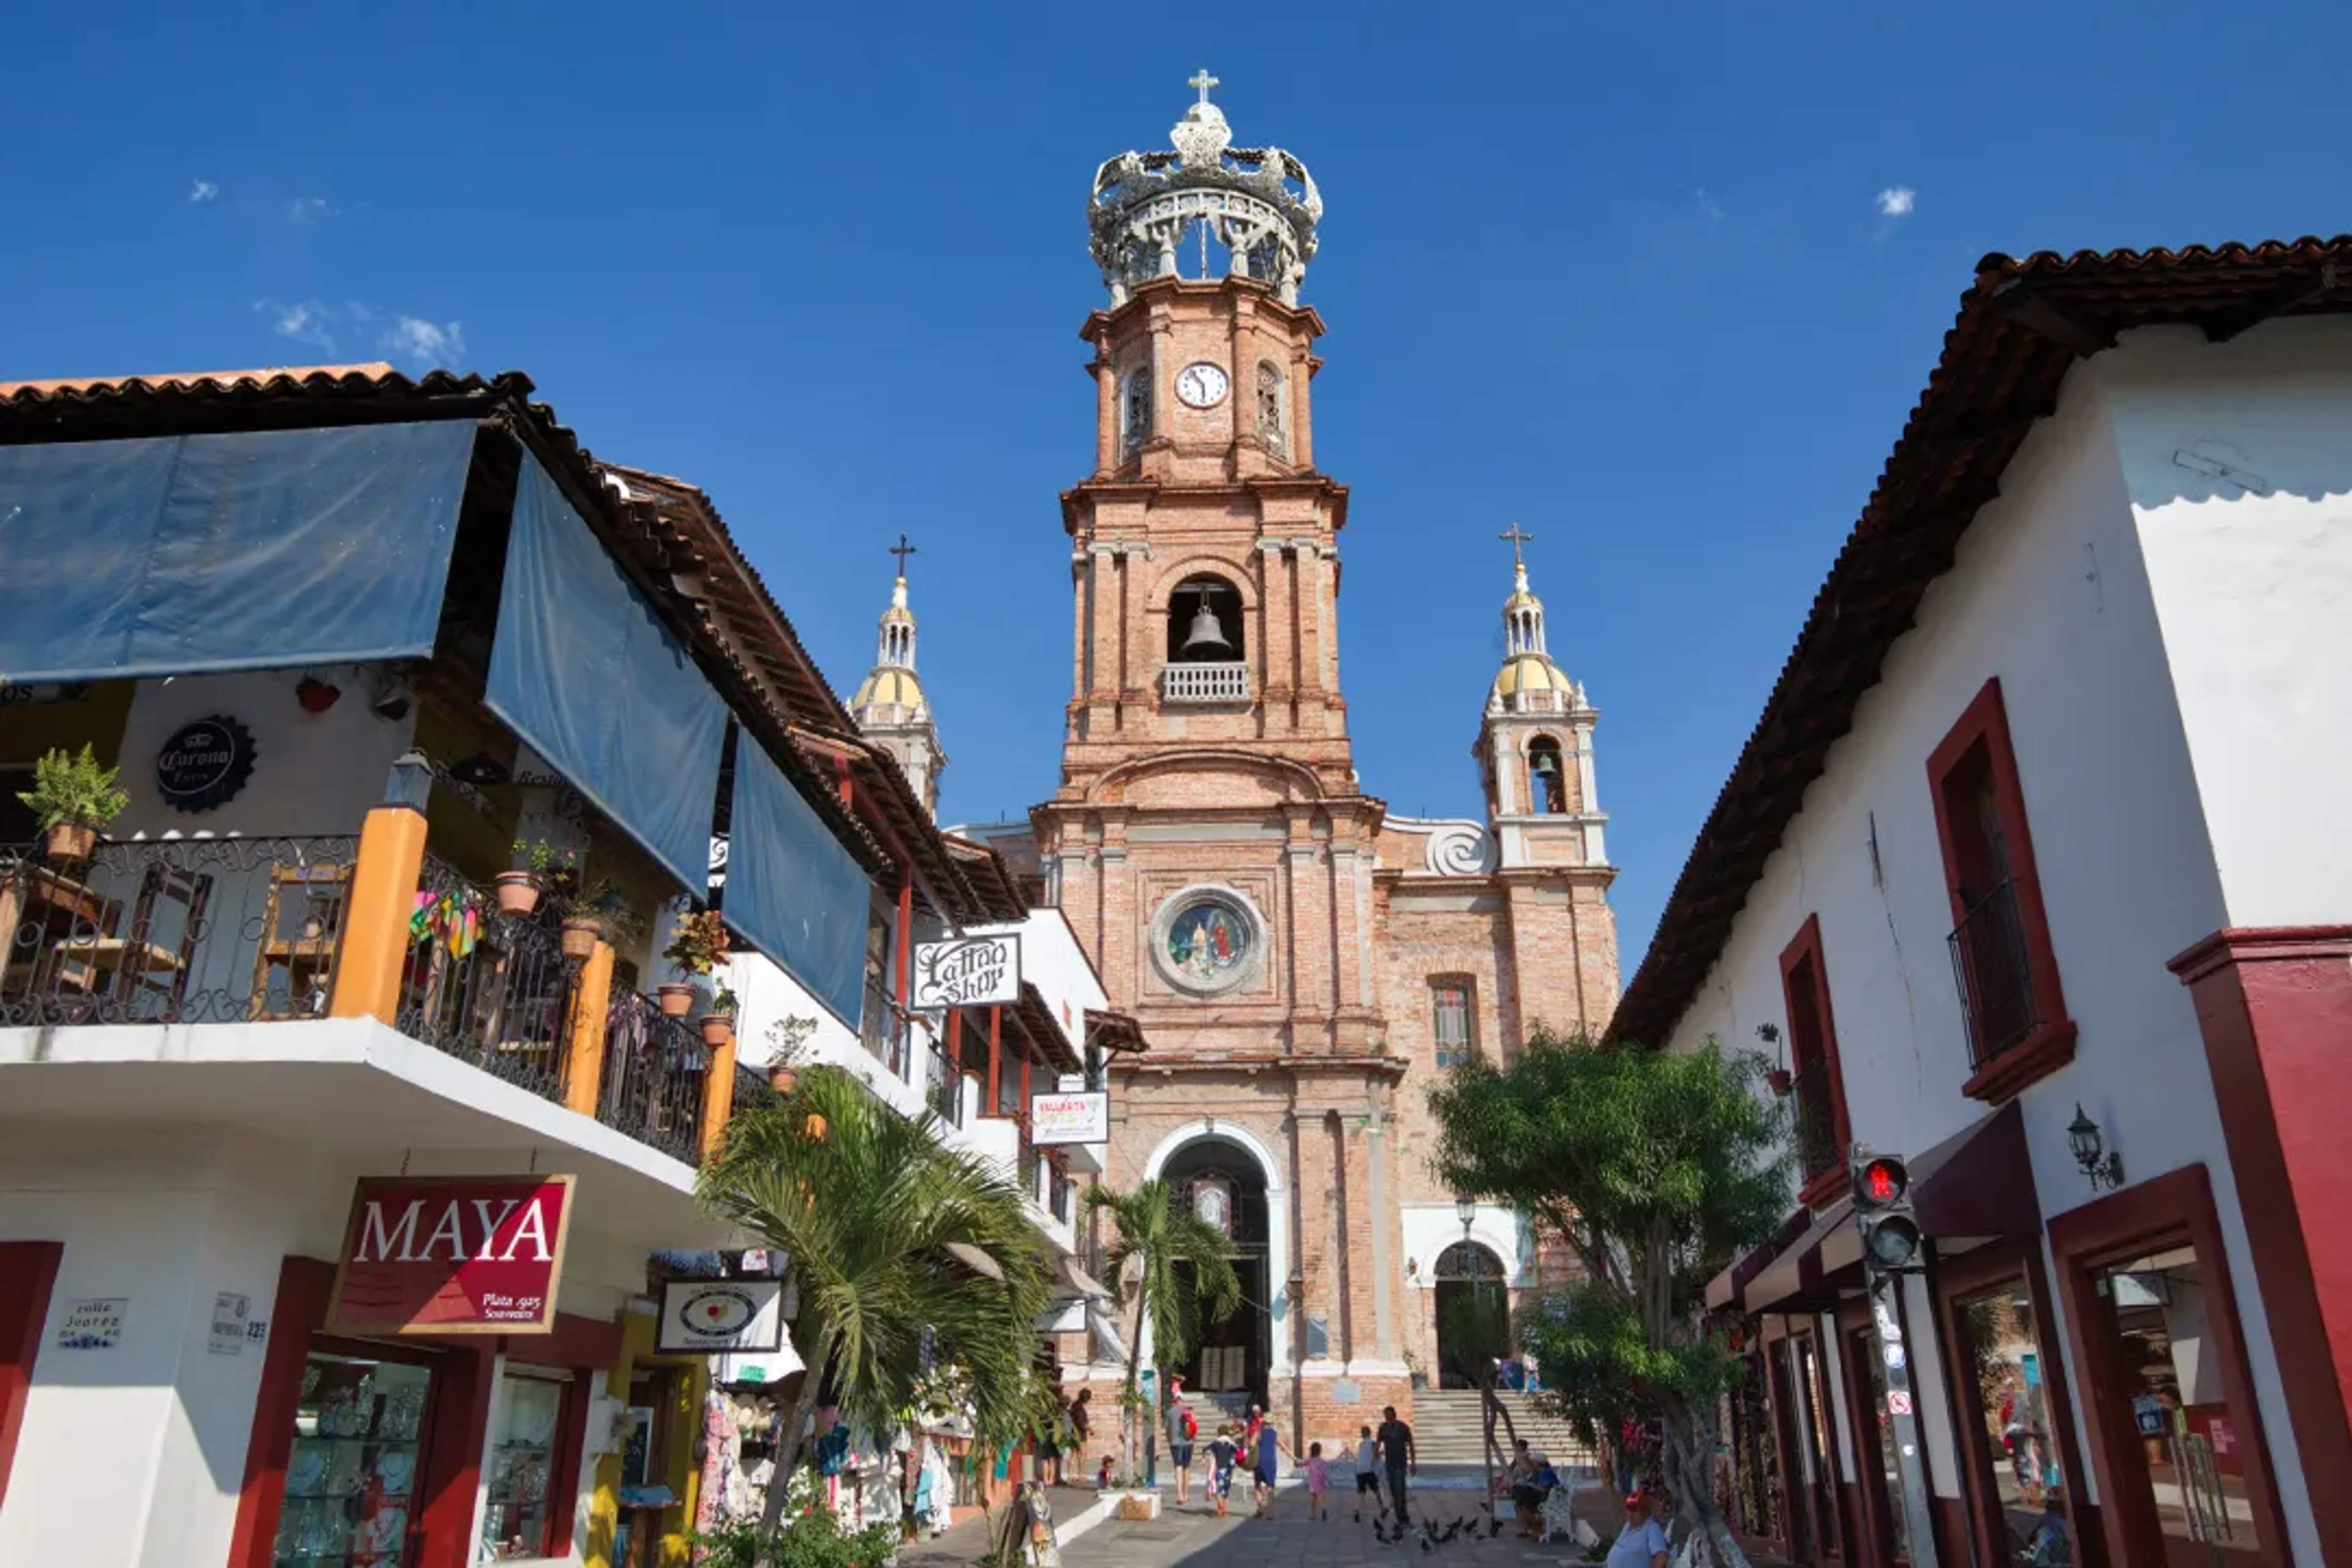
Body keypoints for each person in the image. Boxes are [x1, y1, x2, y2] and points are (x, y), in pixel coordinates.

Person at [1605, 1488, 1670, 1568]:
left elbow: (1662, 1559)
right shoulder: (1628, 1526)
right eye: (1628, 1509)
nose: (1630, 1514)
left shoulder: (1652, 1528)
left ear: (1645, 1511)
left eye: (1634, 1510)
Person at [1376, 1405, 1417, 1526]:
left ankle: (1403, 1518)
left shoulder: (1403, 1428)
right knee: (1394, 1491)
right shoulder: (1383, 1428)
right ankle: (1400, 1515)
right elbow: (1378, 1443)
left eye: (1388, 1415)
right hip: (1389, 1465)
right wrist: (1374, 1458)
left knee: (1400, 1492)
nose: (1387, 1417)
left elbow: (1411, 1445)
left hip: (1400, 1465)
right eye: (1385, 1415)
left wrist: (1413, 1463)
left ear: (1394, 1415)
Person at [1252, 1409, 1295, 1518]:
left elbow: (1251, 1444)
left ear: (1263, 1422)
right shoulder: (1274, 1434)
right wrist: (1294, 1458)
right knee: (1270, 1488)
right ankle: (1270, 1513)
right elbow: (1284, 1448)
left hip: (1259, 1461)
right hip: (1270, 1462)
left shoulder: (1259, 1432)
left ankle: (1260, 1510)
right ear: (1271, 1423)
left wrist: (1258, 1430)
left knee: (1257, 1486)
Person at [1163, 1379, 1196, 1506]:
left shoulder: (1169, 1413)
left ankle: (1180, 1495)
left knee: (1178, 1466)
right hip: (1188, 1443)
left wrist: (1169, 1440)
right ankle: (1186, 1494)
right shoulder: (1189, 1411)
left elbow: (1166, 1430)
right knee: (1187, 1467)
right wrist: (1194, 1440)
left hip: (1175, 1443)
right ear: (1182, 1400)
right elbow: (1195, 1427)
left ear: (1174, 1400)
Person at [1208, 1424, 1240, 1518]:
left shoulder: (1215, 1443)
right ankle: (1224, 1511)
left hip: (1220, 1468)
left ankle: (1221, 1508)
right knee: (1226, 1490)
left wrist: (1206, 1460)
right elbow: (1236, 1455)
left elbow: (1207, 1450)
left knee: (1218, 1490)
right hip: (1229, 1470)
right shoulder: (1231, 1443)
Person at [1352, 1424, 1381, 1522]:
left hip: (1359, 1471)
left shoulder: (1361, 1444)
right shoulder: (1373, 1443)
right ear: (1370, 1433)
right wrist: (1382, 1453)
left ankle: (1357, 1510)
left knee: (1361, 1492)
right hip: (1369, 1470)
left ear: (1362, 1435)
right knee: (1376, 1490)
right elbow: (1376, 1456)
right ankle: (1382, 1509)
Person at [1066, 1389, 1091, 1480]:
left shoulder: (1074, 1406)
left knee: (1072, 1454)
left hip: (1073, 1433)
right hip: (1080, 1434)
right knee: (1081, 1455)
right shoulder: (1080, 1408)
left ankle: (1070, 1475)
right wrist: (1090, 1429)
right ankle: (1081, 1475)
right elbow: (1081, 1423)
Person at [1305, 1442, 1330, 1521]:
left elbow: (1301, 1463)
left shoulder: (1309, 1460)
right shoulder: (1322, 1461)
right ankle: (1323, 1508)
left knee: (1313, 1499)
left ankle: (1313, 1515)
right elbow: (1325, 1472)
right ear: (1320, 1451)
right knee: (1319, 1497)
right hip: (1320, 1481)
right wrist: (1328, 1480)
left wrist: (1296, 1461)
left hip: (1313, 1482)